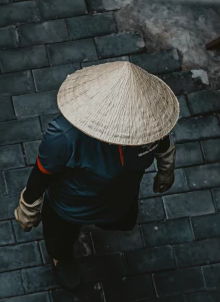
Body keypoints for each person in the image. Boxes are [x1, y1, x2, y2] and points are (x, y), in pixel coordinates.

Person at [14, 61, 179, 290]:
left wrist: (166, 168)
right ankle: (61, 259)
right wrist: (29, 205)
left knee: (123, 222)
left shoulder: (149, 122)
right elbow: (42, 174)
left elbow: (162, 141)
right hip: (71, 206)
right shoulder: (64, 137)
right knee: (60, 240)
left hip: (121, 197)